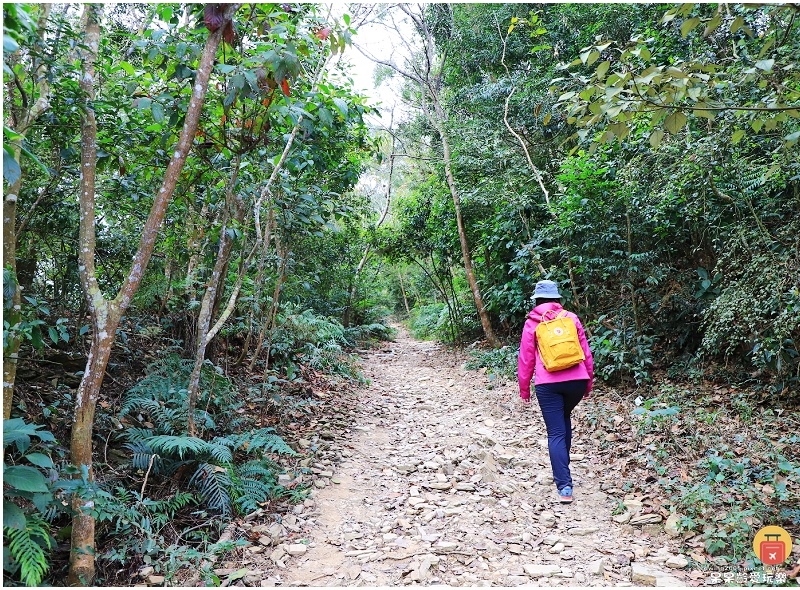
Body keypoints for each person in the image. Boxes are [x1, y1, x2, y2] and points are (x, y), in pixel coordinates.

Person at [518, 279, 594, 504]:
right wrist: (588, 382)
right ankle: (563, 468)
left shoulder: (532, 322)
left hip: (548, 384)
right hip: (577, 382)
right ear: (557, 298)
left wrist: (524, 390)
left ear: (537, 300)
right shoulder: (571, 318)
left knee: (555, 432)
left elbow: (526, 359)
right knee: (563, 419)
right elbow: (586, 353)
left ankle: (564, 485)